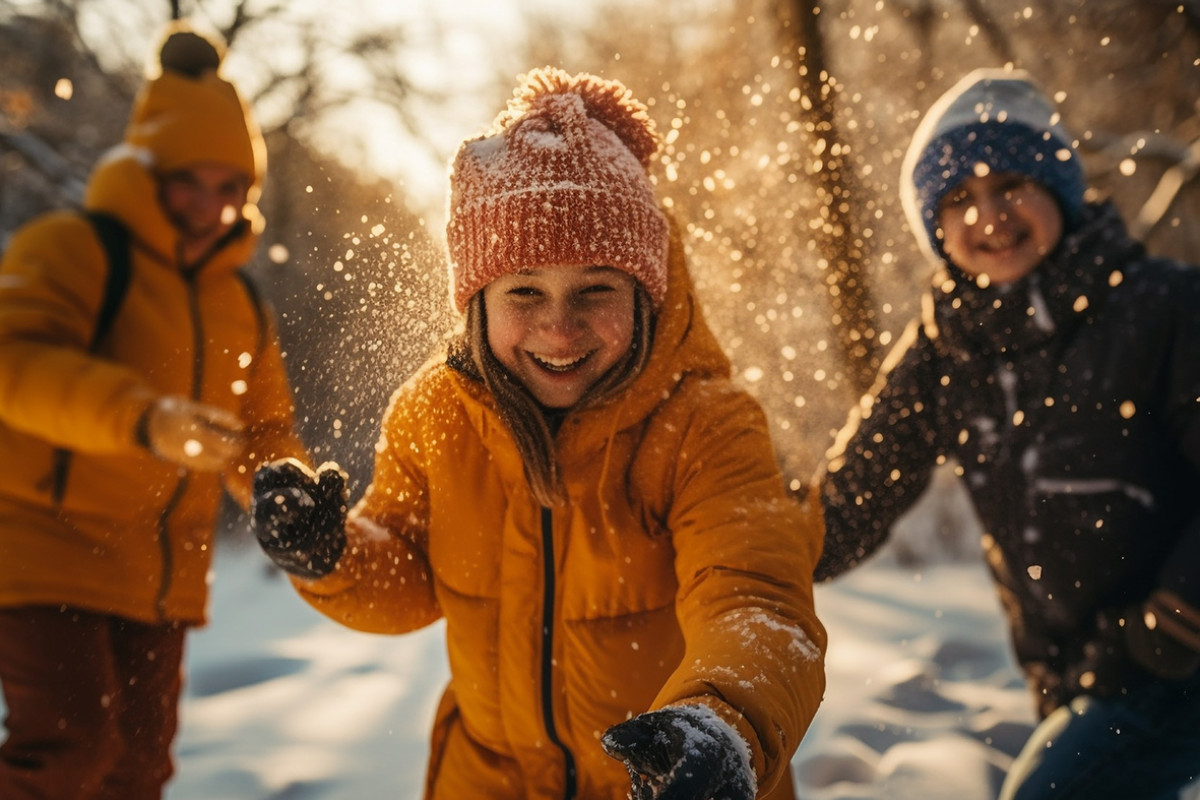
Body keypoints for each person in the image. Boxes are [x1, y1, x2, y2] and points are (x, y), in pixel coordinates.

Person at [250, 67, 826, 800]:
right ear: (477, 303)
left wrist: (722, 723)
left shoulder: (705, 426)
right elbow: (408, 575)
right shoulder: (437, 414)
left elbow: (756, 601)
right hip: (488, 778)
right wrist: (331, 554)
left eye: (596, 289)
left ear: (647, 296)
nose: (560, 326)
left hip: (670, 782)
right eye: (524, 290)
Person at [812, 67, 1200, 799]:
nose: (987, 215)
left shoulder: (1160, 307)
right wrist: (730, 535)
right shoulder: (947, 350)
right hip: (1070, 676)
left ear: (1058, 188)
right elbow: (845, 509)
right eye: (957, 199)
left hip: (1170, 664)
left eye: (1009, 186)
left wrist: (1179, 612)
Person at [0, 22, 308, 800]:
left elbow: (264, 431)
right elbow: (15, 362)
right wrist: (143, 417)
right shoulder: (73, 249)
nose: (210, 206)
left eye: (230, 188)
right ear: (149, 171)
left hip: (161, 576)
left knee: (137, 773)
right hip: (44, 549)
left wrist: (290, 491)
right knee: (67, 752)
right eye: (189, 183)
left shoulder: (240, 301)